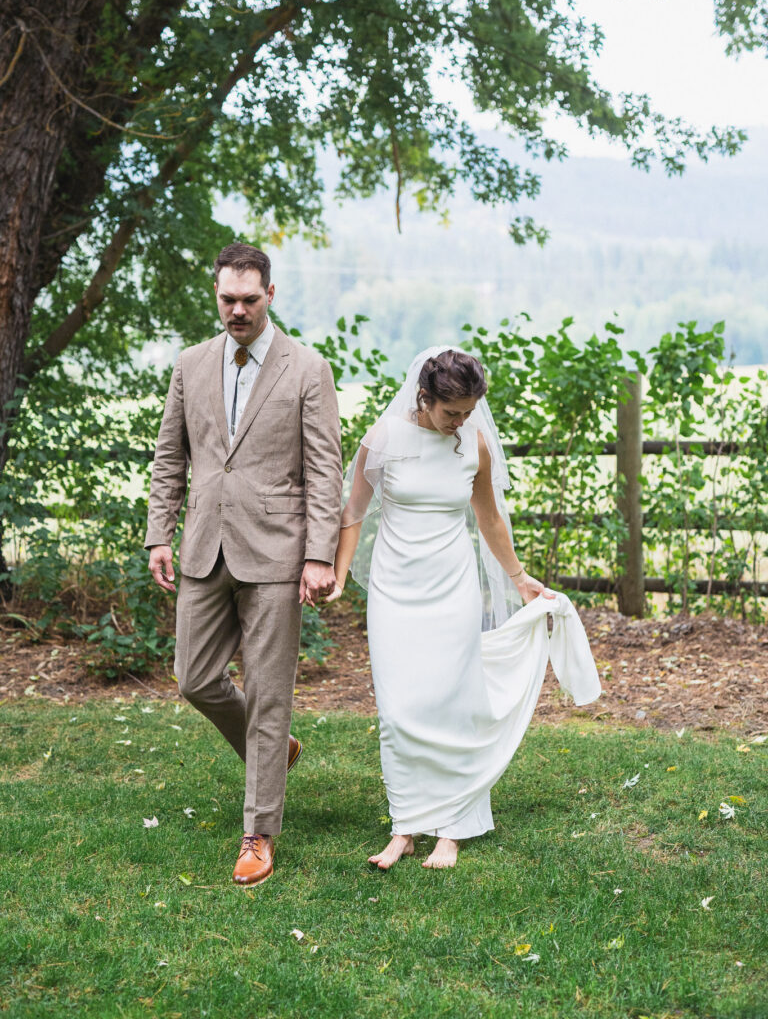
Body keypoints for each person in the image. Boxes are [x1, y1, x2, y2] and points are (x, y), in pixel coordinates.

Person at [328, 347, 600, 870]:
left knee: (453, 704)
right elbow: (353, 513)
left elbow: (489, 518)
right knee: (397, 713)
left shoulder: (473, 444)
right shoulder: (382, 439)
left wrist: (519, 578)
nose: (460, 421)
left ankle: (452, 828)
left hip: (453, 589)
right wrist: (338, 577)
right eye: (451, 412)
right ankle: (404, 828)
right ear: (423, 398)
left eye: (469, 411)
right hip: (393, 592)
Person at [145, 243, 342, 886]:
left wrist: (319, 554)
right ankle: (276, 750)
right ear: (216, 294)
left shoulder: (307, 368)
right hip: (204, 547)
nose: (237, 310)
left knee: (269, 692)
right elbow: (171, 457)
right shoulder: (190, 364)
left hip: (278, 553)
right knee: (194, 678)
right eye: (228, 299)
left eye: (249, 300)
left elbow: (325, 469)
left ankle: (259, 832)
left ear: (270, 295)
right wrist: (159, 534)